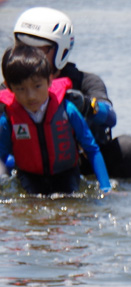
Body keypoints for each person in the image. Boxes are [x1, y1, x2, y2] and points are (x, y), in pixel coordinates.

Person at [12, 6, 131, 178]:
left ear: (62, 50)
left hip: (84, 160)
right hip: (31, 163)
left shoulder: (86, 81)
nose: (30, 55)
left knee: (129, 148)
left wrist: (88, 106)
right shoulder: (10, 87)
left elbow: (110, 117)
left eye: (39, 49)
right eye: (23, 48)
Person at [0, 43, 109, 195]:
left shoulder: (67, 110)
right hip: (30, 177)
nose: (31, 96)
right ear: (9, 88)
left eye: (37, 86)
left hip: (66, 173)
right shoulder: (9, 118)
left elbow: (92, 149)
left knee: (69, 206)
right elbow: (1, 155)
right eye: (21, 89)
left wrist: (106, 188)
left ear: (49, 81)